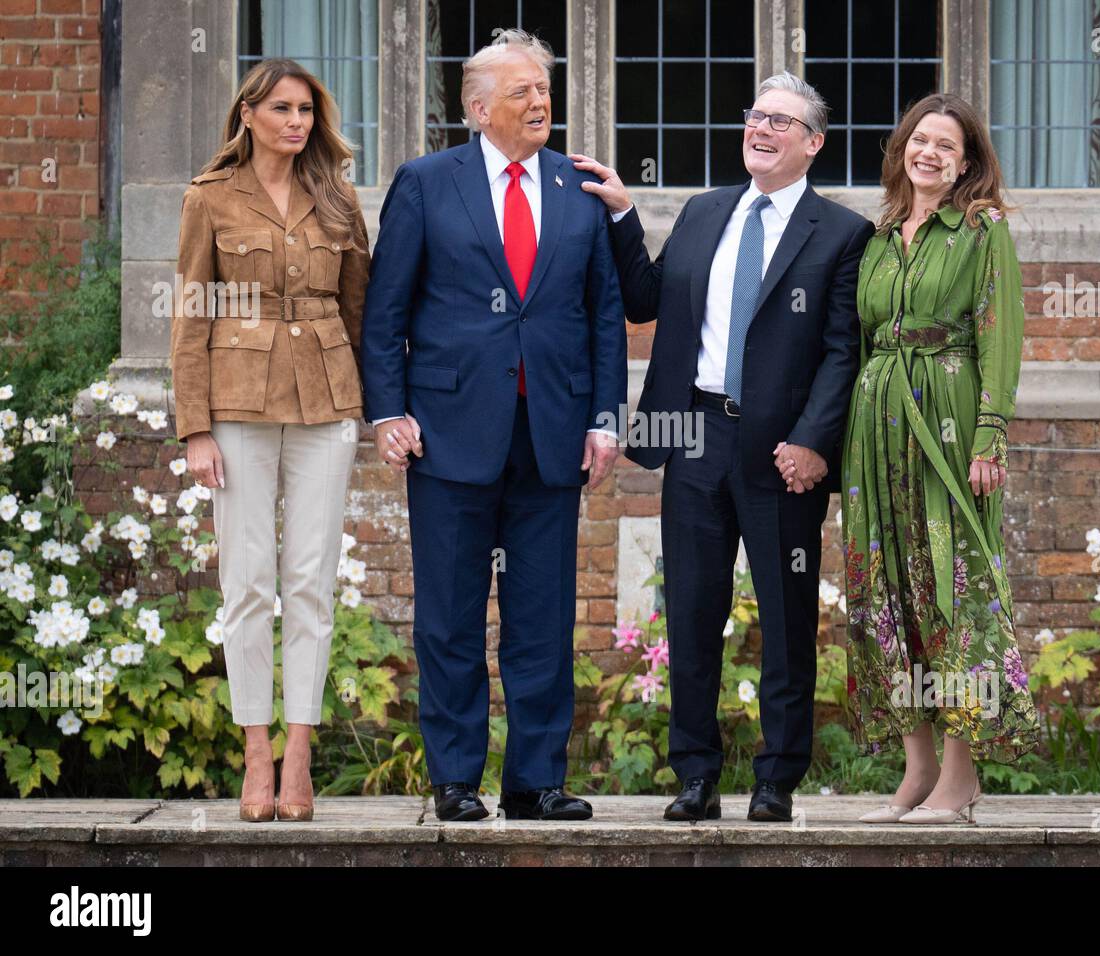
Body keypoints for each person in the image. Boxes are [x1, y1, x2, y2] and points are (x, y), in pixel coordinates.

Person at [573, 72, 873, 822]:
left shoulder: (841, 233)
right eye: (754, 116)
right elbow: (645, 299)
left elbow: (843, 352)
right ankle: (696, 777)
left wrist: (813, 443)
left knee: (786, 616)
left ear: (813, 143)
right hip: (695, 436)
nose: (760, 130)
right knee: (694, 614)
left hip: (782, 454)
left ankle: (776, 777)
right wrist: (621, 212)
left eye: (780, 122)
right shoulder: (707, 212)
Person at [361, 30, 627, 822]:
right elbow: (385, 314)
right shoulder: (424, 184)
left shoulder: (575, 185)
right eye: (522, 93)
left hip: (552, 433)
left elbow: (604, 314)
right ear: (478, 109)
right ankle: (454, 779)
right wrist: (387, 410)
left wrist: (605, 418)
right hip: (446, 432)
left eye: (544, 91)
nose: (540, 103)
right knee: (449, 614)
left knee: (543, 617)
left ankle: (536, 781)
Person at [170, 58, 370, 822]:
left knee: (311, 583)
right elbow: (191, 312)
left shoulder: (338, 199)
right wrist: (194, 427)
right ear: (248, 114)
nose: (297, 122)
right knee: (249, 583)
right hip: (237, 406)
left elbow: (359, 314)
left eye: (307, 111)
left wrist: (371, 409)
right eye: (282, 109)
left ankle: (299, 757)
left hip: (325, 407)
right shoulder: (210, 198)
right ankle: (256, 754)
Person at [840, 93, 1040, 826]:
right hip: (877, 423)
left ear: (966, 163)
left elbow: (1000, 333)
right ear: (902, 149)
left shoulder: (982, 230)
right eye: (919, 139)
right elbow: (866, 338)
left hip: (948, 417)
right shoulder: (885, 231)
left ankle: (962, 774)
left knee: (951, 587)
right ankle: (917, 767)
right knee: (888, 592)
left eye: (945, 146)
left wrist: (992, 435)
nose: (929, 152)